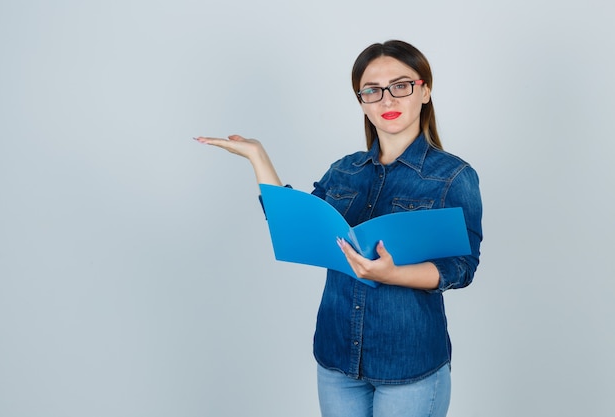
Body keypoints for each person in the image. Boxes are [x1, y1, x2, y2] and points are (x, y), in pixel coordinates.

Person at [195, 40, 483, 417]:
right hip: (337, 357)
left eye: (401, 86)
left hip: (408, 363)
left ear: (424, 90)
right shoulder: (344, 170)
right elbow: (294, 225)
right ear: (361, 101)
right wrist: (257, 157)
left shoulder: (453, 176)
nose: (387, 101)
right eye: (372, 91)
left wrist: (394, 274)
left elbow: (461, 268)